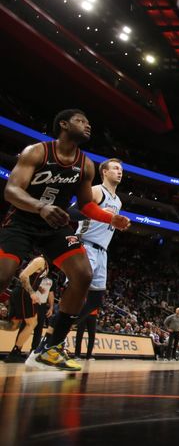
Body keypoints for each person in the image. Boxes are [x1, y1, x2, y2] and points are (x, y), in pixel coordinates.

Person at [0, 109, 129, 372]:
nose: (87, 125)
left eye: (89, 121)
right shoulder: (37, 152)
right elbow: (11, 191)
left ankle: (51, 347)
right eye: (81, 120)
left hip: (54, 225)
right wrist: (39, 207)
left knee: (83, 273)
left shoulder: (86, 164)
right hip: (23, 220)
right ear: (63, 124)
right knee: (3, 275)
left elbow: (85, 205)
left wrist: (109, 218)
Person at [71, 158, 125, 359]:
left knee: (95, 299)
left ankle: (59, 329)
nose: (119, 172)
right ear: (104, 172)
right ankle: (53, 337)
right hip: (86, 246)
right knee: (76, 296)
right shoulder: (96, 191)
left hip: (102, 251)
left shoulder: (118, 201)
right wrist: (98, 214)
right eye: (115, 168)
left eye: (121, 169)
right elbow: (72, 212)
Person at [4, 256, 49, 363]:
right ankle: (15, 353)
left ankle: (15, 353)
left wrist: (38, 288)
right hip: (24, 293)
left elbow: (32, 277)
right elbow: (23, 275)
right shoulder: (40, 260)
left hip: (22, 293)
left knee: (13, 325)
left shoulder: (45, 263)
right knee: (32, 323)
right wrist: (32, 292)